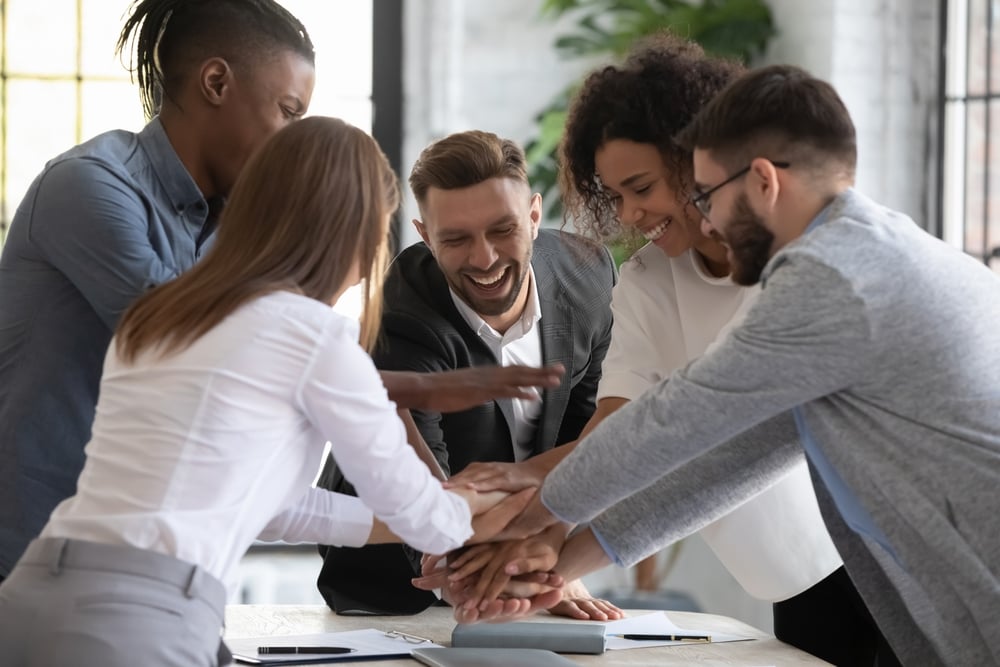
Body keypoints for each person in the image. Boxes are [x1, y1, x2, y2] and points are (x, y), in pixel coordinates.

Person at [0, 0, 558, 583]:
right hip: (36, 548)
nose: (294, 141)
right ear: (216, 82)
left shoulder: (232, 237)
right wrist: (409, 395)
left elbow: (277, 494)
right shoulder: (90, 188)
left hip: (158, 570)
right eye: (289, 112)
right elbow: (198, 348)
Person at [467, 65, 1000, 666]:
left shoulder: (832, 277)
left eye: (708, 194)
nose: (709, 220)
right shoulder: (861, 251)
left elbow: (676, 420)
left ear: (764, 182)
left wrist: (532, 515)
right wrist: (556, 563)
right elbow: (735, 458)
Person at [0, 115, 531, 667]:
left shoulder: (163, 315)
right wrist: (503, 495)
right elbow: (426, 519)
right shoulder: (314, 334)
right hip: (138, 616)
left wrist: (449, 513)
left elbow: (269, 506)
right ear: (360, 232)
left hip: (35, 591)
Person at [315, 130, 621, 621]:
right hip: (402, 577)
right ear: (425, 236)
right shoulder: (397, 322)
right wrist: (489, 580)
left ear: (535, 216)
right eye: (455, 239)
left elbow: (587, 437)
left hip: (530, 558)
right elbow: (419, 488)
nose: (484, 259)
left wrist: (554, 559)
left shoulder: (589, 278)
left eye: (503, 230)